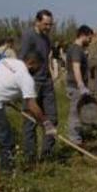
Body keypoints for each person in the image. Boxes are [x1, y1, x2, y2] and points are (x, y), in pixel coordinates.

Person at [0, 51, 55, 173]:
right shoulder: (25, 77)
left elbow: (2, 79)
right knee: (6, 140)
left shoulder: (8, 61)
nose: (38, 71)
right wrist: (46, 123)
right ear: (31, 63)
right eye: (38, 67)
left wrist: (6, 97)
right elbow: (31, 104)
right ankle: (7, 172)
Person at [19, 9, 58, 164]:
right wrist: (25, 82)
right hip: (32, 82)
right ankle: (30, 158)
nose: (48, 27)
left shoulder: (47, 39)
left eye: (50, 24)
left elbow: (46, 59)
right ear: (37, 22)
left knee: (52, 118)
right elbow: (22, 61)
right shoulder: (29, 36)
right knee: (31, 121)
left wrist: (51, 74)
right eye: (46, 24)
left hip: (47, 82)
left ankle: (46, 155)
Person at [65, 25, 94, 144]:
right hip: (76, 87)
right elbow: (76, 67)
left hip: (75, 86)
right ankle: (74, 140)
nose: (90, 41)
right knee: (75, 114)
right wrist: (81, 86)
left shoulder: (76, 48)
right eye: (89, 38)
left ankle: (77, 136)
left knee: (79, 112)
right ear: (83, 35)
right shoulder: (76, 49)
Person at [86, 29, 97, 97]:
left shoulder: (89, 41)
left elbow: (86, 51)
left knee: (91, 77)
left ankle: (91, 91)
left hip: (90, 60)